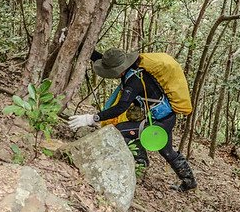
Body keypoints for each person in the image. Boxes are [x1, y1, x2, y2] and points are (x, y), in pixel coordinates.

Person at [68, 48, 197, 192]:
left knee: (119, 130)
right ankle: (189, 182)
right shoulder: (132, 67)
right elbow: (104, 59)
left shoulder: (134, 82)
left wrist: (92, 118)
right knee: (167, 151)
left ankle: (141, 163)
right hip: (166, 117)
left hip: (160, 122)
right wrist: (82, 48)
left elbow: (121, 107)